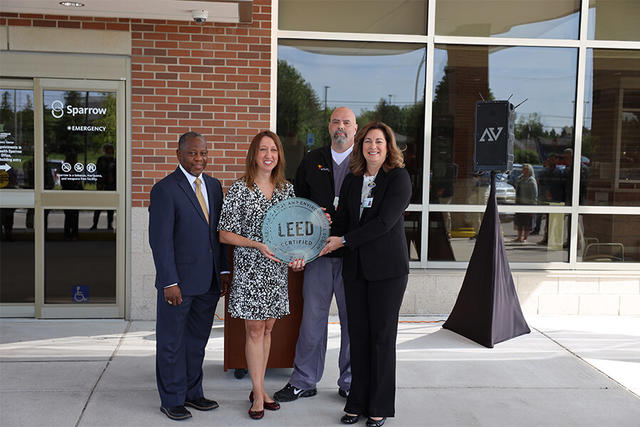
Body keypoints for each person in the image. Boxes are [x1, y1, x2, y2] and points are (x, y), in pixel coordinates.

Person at [320, 121, 411, 427]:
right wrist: (323, 232)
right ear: (360, 146)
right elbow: (344, 221)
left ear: (389, 147)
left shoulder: (398, 178)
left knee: (381, 338)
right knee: (357, 336)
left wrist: (343, 240)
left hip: (387, 272)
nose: (373, 146)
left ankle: (379, 405)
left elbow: (384, 223)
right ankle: (356, 401)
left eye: (379, 142)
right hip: (355, 270)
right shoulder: (352, 180)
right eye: (368, 141)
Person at [218, 130, 304, 420]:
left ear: (280, 156)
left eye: (274, 150)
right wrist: (256, 244)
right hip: (251, 269)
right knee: (254, 330)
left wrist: (297, 256)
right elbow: (224, 234)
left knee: (267, 329)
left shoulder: (287, 191)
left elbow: (294, 233)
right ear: (253, 154)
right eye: (263, 149)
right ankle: (257, 394)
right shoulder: (240, 189)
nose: (269, 155)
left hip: (276, 271)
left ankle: (260, 387)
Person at [274, 106, 357, 403]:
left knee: (352, 323)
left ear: (355, 128)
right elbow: (296, 206)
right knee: (311, 321)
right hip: (318, 256)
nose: (341, 127)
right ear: (328, 126)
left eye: (347, 122)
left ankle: (350, 382)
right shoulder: (312, 160)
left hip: (352, 257)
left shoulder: (364, 162)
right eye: (336, 121)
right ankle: (304, 380)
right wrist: (310, 220)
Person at [148, 131, 231, 421]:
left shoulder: (214, 186)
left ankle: (193, 393)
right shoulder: (164, 190)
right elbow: (160, 241)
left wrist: (222, 271)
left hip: (208, 282)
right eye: (193, 153)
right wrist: (169, 282)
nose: (200, 159)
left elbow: (217, 236)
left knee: (197, 341)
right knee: (172, 342)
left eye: (204, 153)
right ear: (179, 154)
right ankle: (171, 399)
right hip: (178, 284)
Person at [91, 143, 116, 230]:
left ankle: (109, 224)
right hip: (101, 186)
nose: (110, 152)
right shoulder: (101, 159)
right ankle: (94, 224)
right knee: (98, 206)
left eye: (111, 150)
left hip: (111, 187)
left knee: (111, 209)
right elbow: (98, 171)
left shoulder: (114, 161)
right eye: (108, 150)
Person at [513, 163, 538, 243]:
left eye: (525, 169)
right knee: (519, 221)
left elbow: (534, 194)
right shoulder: (519, 178)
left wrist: (532, 206)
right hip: (519, 203)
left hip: (528, 204)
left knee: (527, 222)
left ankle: (525, 238)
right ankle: (519, 237)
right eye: (523, 169)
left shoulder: (531, 180)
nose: (523, 170)